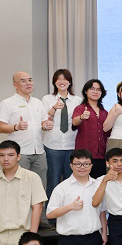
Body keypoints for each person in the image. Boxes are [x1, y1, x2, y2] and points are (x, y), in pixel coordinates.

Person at [46, 149, 107, 245]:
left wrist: (104, 233)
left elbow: (102, 211)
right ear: (71, 166)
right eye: (78, 164)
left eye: (86, 164)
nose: (82, 167)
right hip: (69, 240)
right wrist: (70, 207)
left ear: (91, 165)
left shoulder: (97, 185)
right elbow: (50, 214)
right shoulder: (62, 188)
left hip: (93, 239)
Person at [0, 71, 48, 189]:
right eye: (23, 81)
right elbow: (1, 127)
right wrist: (16, 127)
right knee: (20, 188)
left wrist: (46, 125)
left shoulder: (38, 102)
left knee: (39, 187)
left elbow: (43, 122)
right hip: (21, 153)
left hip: (39, 152)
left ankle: (39, 208)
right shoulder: (7, 103)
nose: (28, 83)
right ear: (15, 85)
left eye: (30, 80)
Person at [42, 69, 82, 199]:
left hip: (72, 145)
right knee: (53, 181)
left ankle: (69, 212)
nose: (62, 81)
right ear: (54, 82)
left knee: (71, 181)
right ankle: (52, 215)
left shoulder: (77, 100)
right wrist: (54, 108)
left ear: (70, 82)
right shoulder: (47, 99)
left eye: (65, 79)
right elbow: (43, 120)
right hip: (53, 146)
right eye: (58, 79)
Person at [71, 79, 110, 179]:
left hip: (101, 154)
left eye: (98, 89)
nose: (95, 92)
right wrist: (81, 117)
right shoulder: (80, 108)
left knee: (99, 184)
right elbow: (74, 122)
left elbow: (108, 132)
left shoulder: (104, 112)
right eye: (92, 89)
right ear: (86, 91)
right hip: (84, 155)